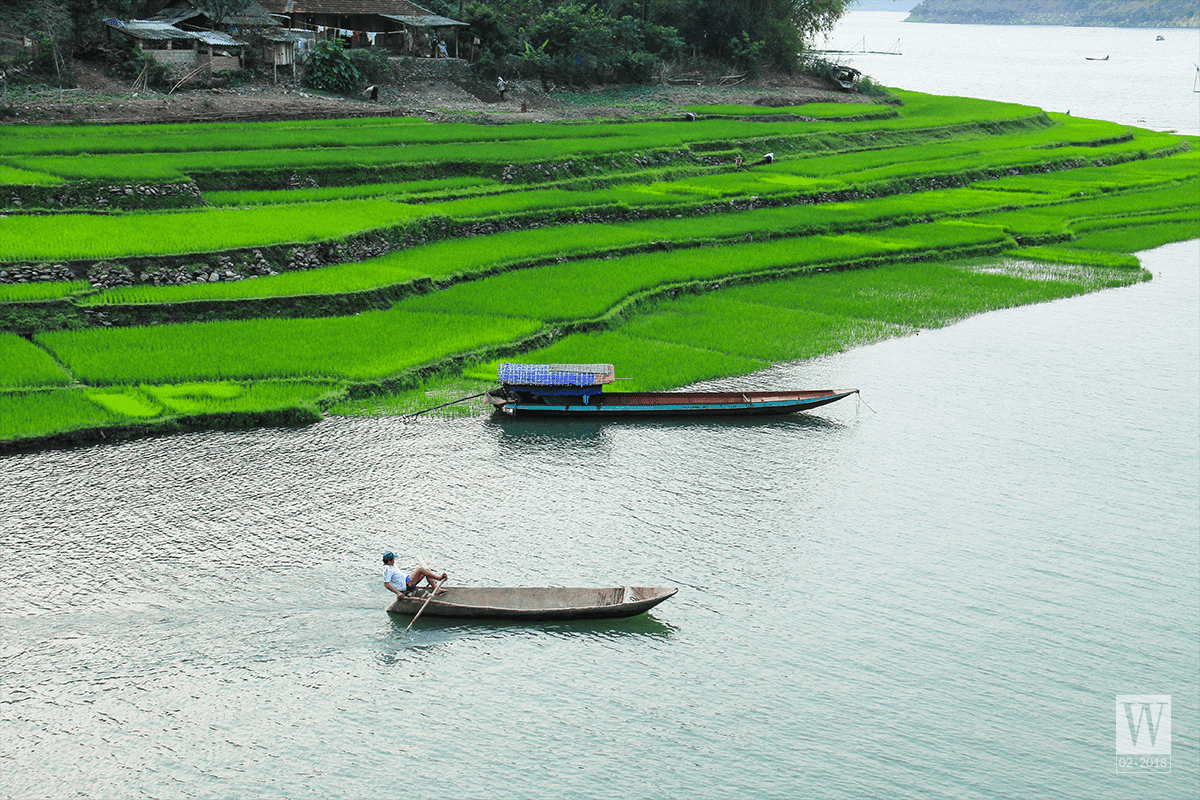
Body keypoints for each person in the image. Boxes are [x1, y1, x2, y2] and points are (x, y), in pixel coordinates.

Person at [382, 552, 447, 597]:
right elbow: (386, 584)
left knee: (426, 571)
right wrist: (398, 593)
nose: (394, 560)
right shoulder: (387, 570)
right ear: (389, 561)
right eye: (393, 559)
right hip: (406, 585)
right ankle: (439, 578)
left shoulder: (391, 565)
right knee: (420, 569)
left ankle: (436, 588)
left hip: (407, 580)